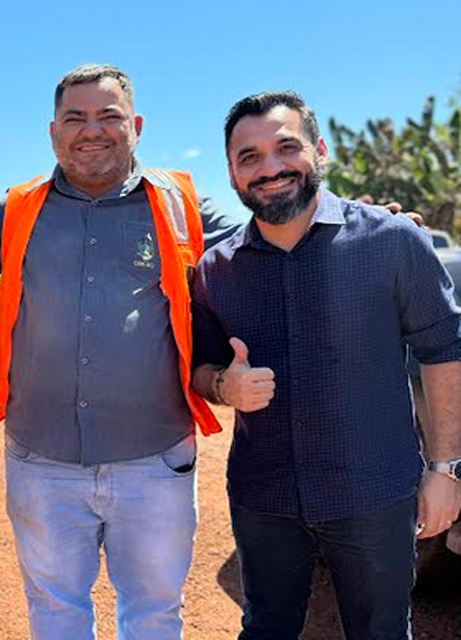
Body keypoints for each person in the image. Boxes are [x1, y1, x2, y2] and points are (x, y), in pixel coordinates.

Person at [190, 91, 461, 639]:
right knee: (266, 629)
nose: (270, 168)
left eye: (285, 148)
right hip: (263, 497)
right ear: (233, 173)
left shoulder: (393, 242)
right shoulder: (215, 270)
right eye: (250, 157)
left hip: (375, 495)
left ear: (319, 150)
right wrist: (223, 384)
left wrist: (444, 471)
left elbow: (444, 350)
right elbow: (200, 365)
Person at [0, 63, 225, 640]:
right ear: (53, 131)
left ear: (134, 124)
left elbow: (265, 240)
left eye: (108, 116)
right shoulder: (17, 209)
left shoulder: (180, 205)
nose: (92, 130)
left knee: (154, 613)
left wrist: (365, 220)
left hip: (155, 458)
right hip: (42, 458)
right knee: (56, 612)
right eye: (76, 118)